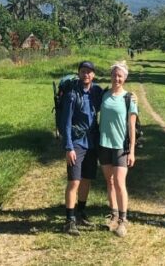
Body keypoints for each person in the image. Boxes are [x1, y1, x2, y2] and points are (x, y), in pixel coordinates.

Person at [61, 60, 103, 235]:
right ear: (78, 73)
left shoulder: (97, 92)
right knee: (74, 181)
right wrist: (68, 147)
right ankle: (69, 220)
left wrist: (129, 97)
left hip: (92, 142)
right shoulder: (72, 95)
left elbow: (112, 97)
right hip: (77, 142)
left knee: (86, 179)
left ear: (93, 75)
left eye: (89, 72)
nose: (86, 74)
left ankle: (81, 212)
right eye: (83, 71)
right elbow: (66, 123)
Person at [98, 61, 139, 237]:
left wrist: (132, 150)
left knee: (120, 183)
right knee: (110, 182)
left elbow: (132, 127)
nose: (117, 78)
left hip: (121, 146)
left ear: (125, 78)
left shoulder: (129, 98)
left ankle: (123, 219)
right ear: (111, 76)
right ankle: (113, 215)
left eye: (120, 76)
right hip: (104, 144)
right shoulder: (104, 95)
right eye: (114, 75)